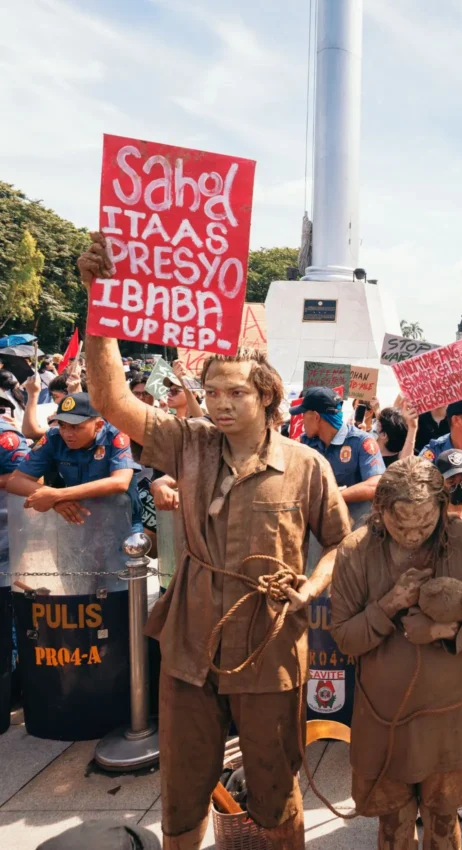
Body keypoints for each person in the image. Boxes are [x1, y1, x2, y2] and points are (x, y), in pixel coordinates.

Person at [76, 232, 353, 850]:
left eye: (237, 394)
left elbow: (341, 543)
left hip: (271, 647)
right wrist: (100, 304)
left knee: (276, 790)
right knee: (182, 789)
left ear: (268, 398)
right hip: (188, 647)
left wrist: (310, 586)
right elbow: (110, 398)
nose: (220, 405)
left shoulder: (308, 465)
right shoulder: (187, 442)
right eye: (213, 394)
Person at [329, 457, 462, 850]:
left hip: (448, 718)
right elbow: (344, 637)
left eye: (424, 524)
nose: (412, 534)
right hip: (383, 720)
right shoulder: (356, 551)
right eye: (399, 523)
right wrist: (389, 604)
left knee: (444, 820)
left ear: (442, 507)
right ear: (380, 510)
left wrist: (441, 630)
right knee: (393, 823)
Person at [6, 392, 141, 529]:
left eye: (75, 427)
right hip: (80, 520)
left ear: (99, 425)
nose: (67, 433)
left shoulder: (118, 435)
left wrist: (57, 495)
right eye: (62, 425)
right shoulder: (54, 438)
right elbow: (15, 481)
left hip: (123, 521)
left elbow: (120, 482)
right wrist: (56, 501)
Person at [295, 386, 385, 506]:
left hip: (353, 522)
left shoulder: (362, 441)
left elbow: (376, 485)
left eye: (303, 414)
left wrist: (333, 496)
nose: (302, 420)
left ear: (316, 417)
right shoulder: (304, 441)